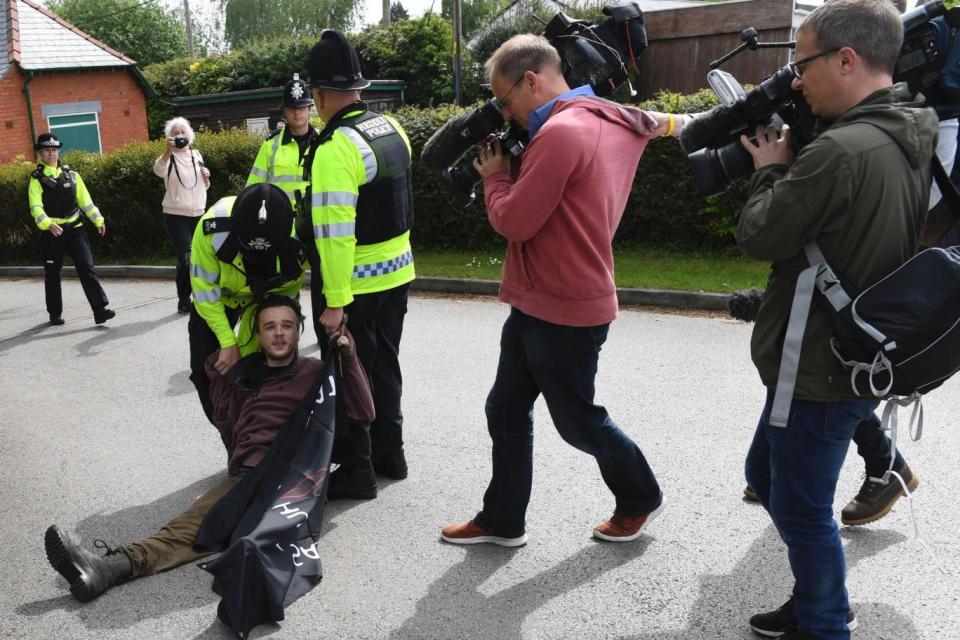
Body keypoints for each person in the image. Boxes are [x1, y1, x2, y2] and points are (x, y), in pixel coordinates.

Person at [736, 1, 938, 638]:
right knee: (766, 479)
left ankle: (825, 622)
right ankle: (815, 597)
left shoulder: (841, 152)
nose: (796, 80)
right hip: (859, 352)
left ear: (846, 60)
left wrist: (769, 171)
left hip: (819, 364)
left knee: (798, 508)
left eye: (804, 64)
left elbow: (760, 235)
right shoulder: (913, 126)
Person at [440, 34, 688, 547]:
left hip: (566, 305)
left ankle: (640, 496)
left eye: (505, 101)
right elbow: (662, 123)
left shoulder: (561, 133)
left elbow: (515, 221)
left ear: (531, 80)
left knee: (578, 422)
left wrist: (493, 176)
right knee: (505, 410)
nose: (503, 114)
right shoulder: (608, 113)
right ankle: (502, 520)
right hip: (539, 298)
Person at [43, 296, 374, 602]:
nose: (278, 333)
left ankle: (105, 569)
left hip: (290, 481)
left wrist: (348, 356)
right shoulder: (245, 376)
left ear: (299, 330)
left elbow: (364, 412)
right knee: (202, 526)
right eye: (269, 326)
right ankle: (101, 573)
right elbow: (231, 430)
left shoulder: (316, 374)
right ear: (258, 335)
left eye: (286, 325)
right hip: (246, 476)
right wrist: (220, 379)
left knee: (201, 526)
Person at [303, 29, 415, 499]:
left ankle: (358, 471)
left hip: (355, 287)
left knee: (350, 375)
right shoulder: (392, 131)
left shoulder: (335, 149)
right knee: (385, 366)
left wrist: (334, 302)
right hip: (399, 274)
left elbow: (333, 234)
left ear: (320, 94)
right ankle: (393, 454)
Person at [188, 182, 307, 427]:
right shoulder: (212, 230)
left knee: (272, 364)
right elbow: (205, 292)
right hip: (220, 297)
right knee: (204, 369)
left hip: (269, 296)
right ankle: (234, 436)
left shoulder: (300, 239)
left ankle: (273, 437)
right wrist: (227, 342)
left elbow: (287, 297)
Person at [28, 133, 115, 326]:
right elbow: (35, 208)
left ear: (58, 151)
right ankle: (55, 313)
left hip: (76, 230)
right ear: (40, 153)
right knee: (53, 273)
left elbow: (86, 202)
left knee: (86, 268)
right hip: (52, 233)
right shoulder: (36, 179)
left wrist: (98, 220)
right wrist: (47, 224)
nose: (51, 154)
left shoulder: (72, 175)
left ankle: (100, 310)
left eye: (54, 150)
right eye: (46, 150)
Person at [154, 117, 211, 314]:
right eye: (175, 133)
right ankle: (184, 298)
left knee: (200, 257)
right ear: (169, 138)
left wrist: (207, 178)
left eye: (182, 132)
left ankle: (200, 295)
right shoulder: (167, 158)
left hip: (198, 213)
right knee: (185, 257)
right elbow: (158, 170)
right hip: (176, 215)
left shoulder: (197, 155)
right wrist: (167, 152)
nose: (179, 136)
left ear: (189, 135)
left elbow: (202, 186)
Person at [247, 73, 317, 210]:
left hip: (313, 224)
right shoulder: (270, 146)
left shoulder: (323, 143)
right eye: (292, 108)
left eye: (301, 107)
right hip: (279, 225)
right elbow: (253, 189)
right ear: (285, 110)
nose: (297, 112)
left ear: (309, 109)